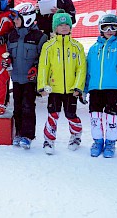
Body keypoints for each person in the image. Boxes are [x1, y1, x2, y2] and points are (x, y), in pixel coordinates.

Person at [37, 10, 86, 155]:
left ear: (71, 27)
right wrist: (42, 86)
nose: (64, 27)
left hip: (71, 89)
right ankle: (49, 140)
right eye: (60, 25)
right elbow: (44, 66)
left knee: (71, 114)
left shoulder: (77, 46)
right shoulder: (48, 46)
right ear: (55, 28)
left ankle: (76, 135)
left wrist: (78, 86)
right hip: (54, 88)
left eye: (66, 24)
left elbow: (81, 68)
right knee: (53, 114)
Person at [85, 15, 117, 158]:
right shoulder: (93, 49)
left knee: (111, 117)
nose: (109, 30)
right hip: (95, 88)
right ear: (100, 29)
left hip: (114, 87)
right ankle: (98, 141)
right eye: (106, 27)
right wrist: (84, 90)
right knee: (95, 116)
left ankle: (110, 143)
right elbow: (89, 71)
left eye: (114, 27)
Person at [7, 3, 48, 149]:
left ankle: (28, 135)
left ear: (28, 18)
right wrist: (7, 61)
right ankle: (18, 132)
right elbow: (8, 53)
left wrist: (36, 68)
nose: (15, 21)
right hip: (16, 78)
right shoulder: (12, 35)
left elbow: (43, 59)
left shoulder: (40, 37)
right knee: (17, 106)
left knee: (28, 106)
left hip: (31, 80)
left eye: (17, 18)